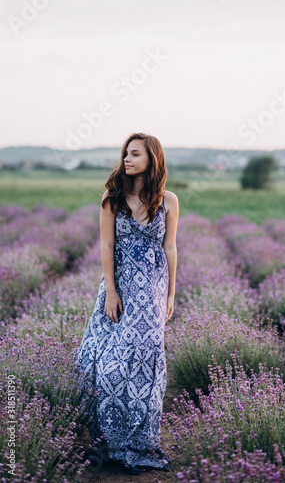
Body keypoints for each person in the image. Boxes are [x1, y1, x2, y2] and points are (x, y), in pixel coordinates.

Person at [75, 132, 179, 475]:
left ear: (152, 158)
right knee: (105, 365)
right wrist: (112, 292)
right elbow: (106, 247)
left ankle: (139, 441)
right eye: (125, 154)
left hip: (151, 290)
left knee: (145, 363)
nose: (127, 160)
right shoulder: (113, 197)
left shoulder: (169, 201)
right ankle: (107, 440)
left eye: (135, 154)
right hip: (118, 288)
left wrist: (171, 294)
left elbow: (170, 249)